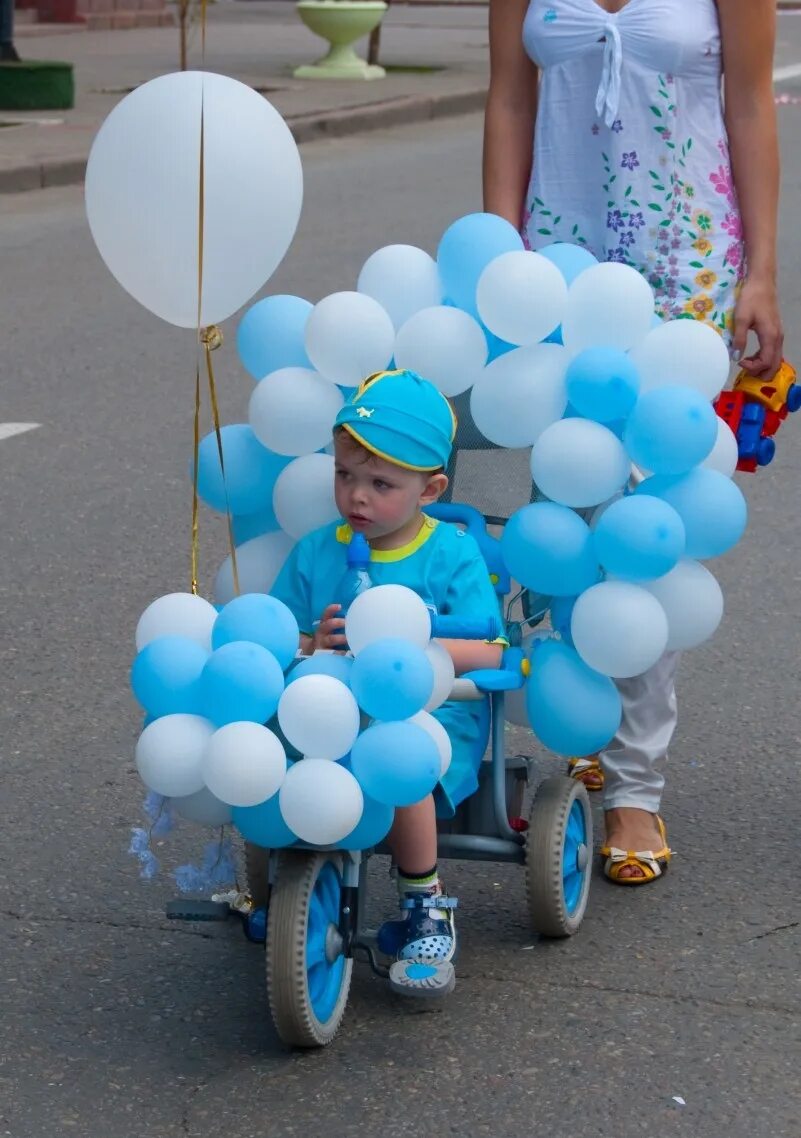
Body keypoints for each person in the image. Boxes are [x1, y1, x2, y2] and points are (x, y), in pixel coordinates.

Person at [483, 0, 784, 883]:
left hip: (684, 269)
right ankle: (584, 729)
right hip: (558, 267)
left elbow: (748, 104)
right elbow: (508, 99)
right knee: (569, 505)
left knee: (646, 532)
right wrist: (499, 257)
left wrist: (761, 274)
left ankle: (634, 790)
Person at [270, 368, 504, 966]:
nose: (357, 497)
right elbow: (282, 638)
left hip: (428, 711)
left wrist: (410, 649)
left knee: (397, 758)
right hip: (333, 705)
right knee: (274, 744)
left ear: (429, 491)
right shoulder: (318, 549)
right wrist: (315, 639)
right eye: (345, 476)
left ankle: (424, 899)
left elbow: (491, 651)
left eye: (381, 483)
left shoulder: (451, 553)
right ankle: (281, 884)